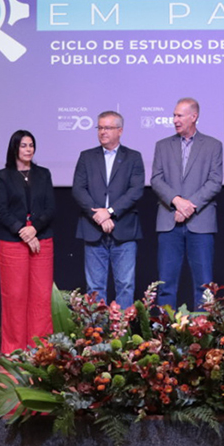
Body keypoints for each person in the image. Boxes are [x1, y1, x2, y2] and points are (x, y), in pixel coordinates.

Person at [150, 98, 222, 308]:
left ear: (194, 116)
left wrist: (189, 206)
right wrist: (176, 201)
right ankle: (165, 336)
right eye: (174, 115)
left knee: (203, 286)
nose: (175, 120)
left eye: (180, 115)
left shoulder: (213, 145)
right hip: (169, 220)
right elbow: (156, 179)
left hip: (200, 222)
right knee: (166, 285)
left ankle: (203, 334)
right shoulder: (162, 146)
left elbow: (215, 182)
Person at [72, 111, 145, 307]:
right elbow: (79, 189)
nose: (102, 132)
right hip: (93, 228)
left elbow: (136, 190)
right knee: (95, 288)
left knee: (125, 285)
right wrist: (99, 216)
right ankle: (98, 335)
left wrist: (110, 211)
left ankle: (121, 335)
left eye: (108, 128)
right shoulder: (86, 157)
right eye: (100, 128)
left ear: (120, 131)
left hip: (124, 229)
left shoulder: (133, 157)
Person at [0, 130, 55, 354]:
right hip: (12, 242)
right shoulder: (3, 175)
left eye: (31, 145)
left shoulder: (44, 174)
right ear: (14, 149)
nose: (28, 149)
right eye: (23, 146)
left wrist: (34, 230)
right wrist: (23, 232)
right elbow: (1, 210)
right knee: (15, 296)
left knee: (41, 296)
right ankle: (14, 348)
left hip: (42, 240)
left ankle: (40, 348)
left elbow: (50, 208)